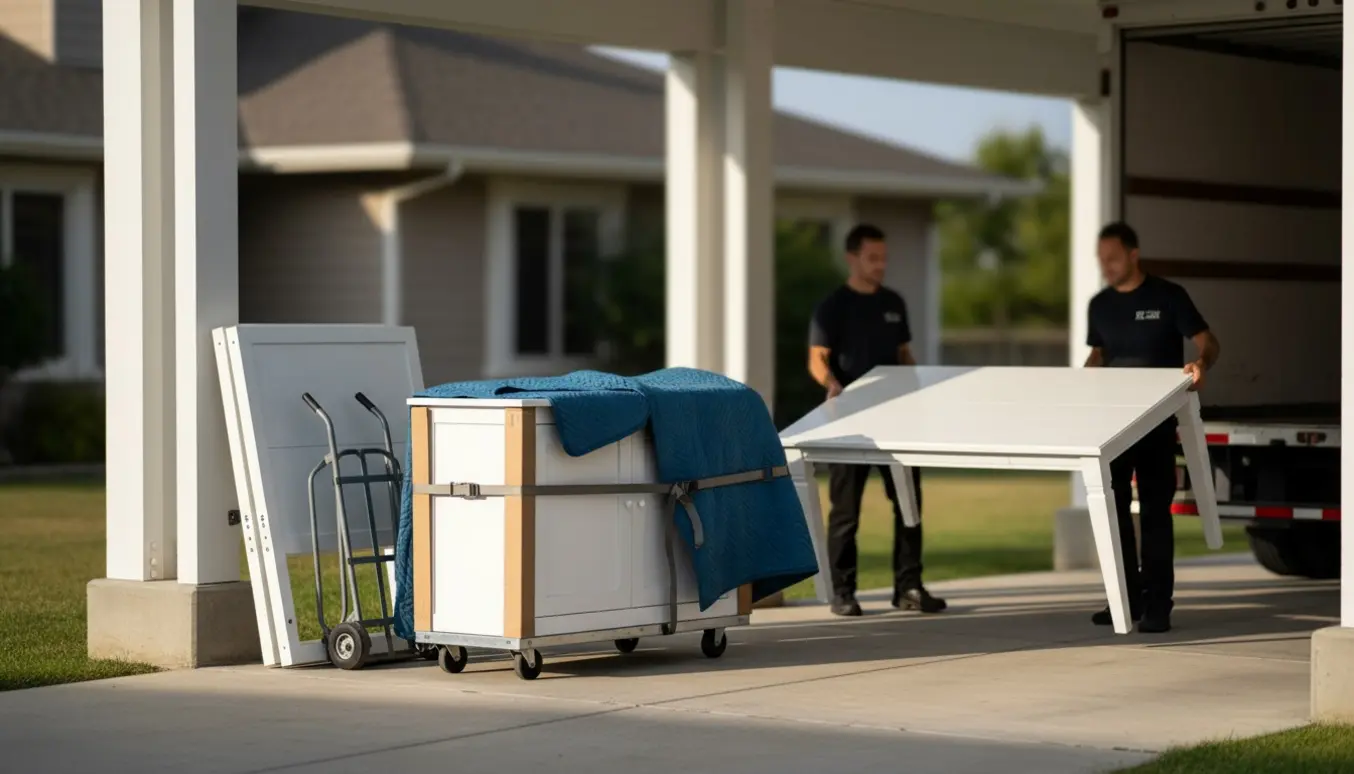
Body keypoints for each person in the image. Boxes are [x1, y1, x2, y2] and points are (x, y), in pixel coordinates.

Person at [1084, 221, 1221, 634]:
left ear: (1132, 254)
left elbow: (1208, 341)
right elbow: (1098, 355)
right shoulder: (1100, 305)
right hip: (1112, 425)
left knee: (1156, 513)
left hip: (1157, 422)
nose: (1105, 266)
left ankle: (1159, 604)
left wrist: (1201, 364)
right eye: (1101, 259)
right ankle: (1124, 598)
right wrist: (1078, 384)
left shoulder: (1168, 296)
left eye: (1111, 258)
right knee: (1114, 509)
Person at [807, 223, 946, 618]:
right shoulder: (833, 306)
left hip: (899, 421)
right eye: (873, 258)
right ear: (852, 257)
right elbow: (817, 356)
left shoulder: (894, 303)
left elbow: (905, 355)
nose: (881, 265)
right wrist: (832, 384)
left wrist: (921, 389)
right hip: (850, 421)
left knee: (908, 504)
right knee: (846, 511)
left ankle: (909, 586)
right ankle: (843, 592)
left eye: (884, 257)